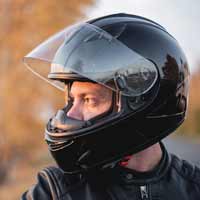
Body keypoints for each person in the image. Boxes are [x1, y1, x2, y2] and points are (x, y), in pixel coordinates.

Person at [21, 13, 200, 199]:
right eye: (71, 100)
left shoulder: (194, 188)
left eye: (89, 100)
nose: (71, 113)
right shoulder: (54, 192)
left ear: (141, 102)